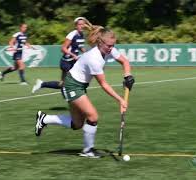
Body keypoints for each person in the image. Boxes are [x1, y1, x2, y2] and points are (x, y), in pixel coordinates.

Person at [34, 22, 135, 158]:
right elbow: (104, 84)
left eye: (113, 45)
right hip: (72, 85)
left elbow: (125, 62)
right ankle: (88, 151)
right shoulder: (94, 59)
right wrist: (120, 100)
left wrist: (127, 75)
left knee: (77, 124)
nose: (112, 49)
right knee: (93, 117)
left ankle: (44, 119)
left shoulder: (108, 49)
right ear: (100, 43)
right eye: (109, 46)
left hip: (79, 85)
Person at [31, 17, 87, 93]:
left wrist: (86, 53)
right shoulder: (72, 34)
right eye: (80, 24)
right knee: (71, 82)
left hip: (72, 62)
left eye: (83, 24)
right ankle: (72, 97)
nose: (82, 26)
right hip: (66, 62)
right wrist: (73, 55)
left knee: (62, 84)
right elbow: (63, 48)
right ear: (76, 26)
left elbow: (80, 47)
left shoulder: (82, 35)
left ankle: (42, 84)